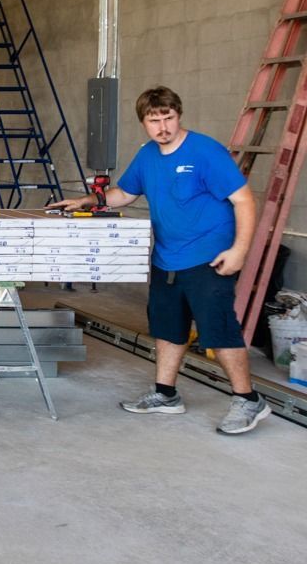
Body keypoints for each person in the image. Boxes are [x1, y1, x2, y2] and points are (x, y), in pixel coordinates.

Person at [51, 86, 270, 435]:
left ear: (178, 115)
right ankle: (166, 394)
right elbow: (124, 193)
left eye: (168, 118)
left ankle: (248, 399)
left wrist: (239, 250)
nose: (162, 126)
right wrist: (87, 201)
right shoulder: (148, 156)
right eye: (154, 120)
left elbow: (244, 201)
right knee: (169, 327)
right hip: (168, 257)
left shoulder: (205, 152)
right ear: (144, 123)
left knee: (217, 330)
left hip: (209, 256)